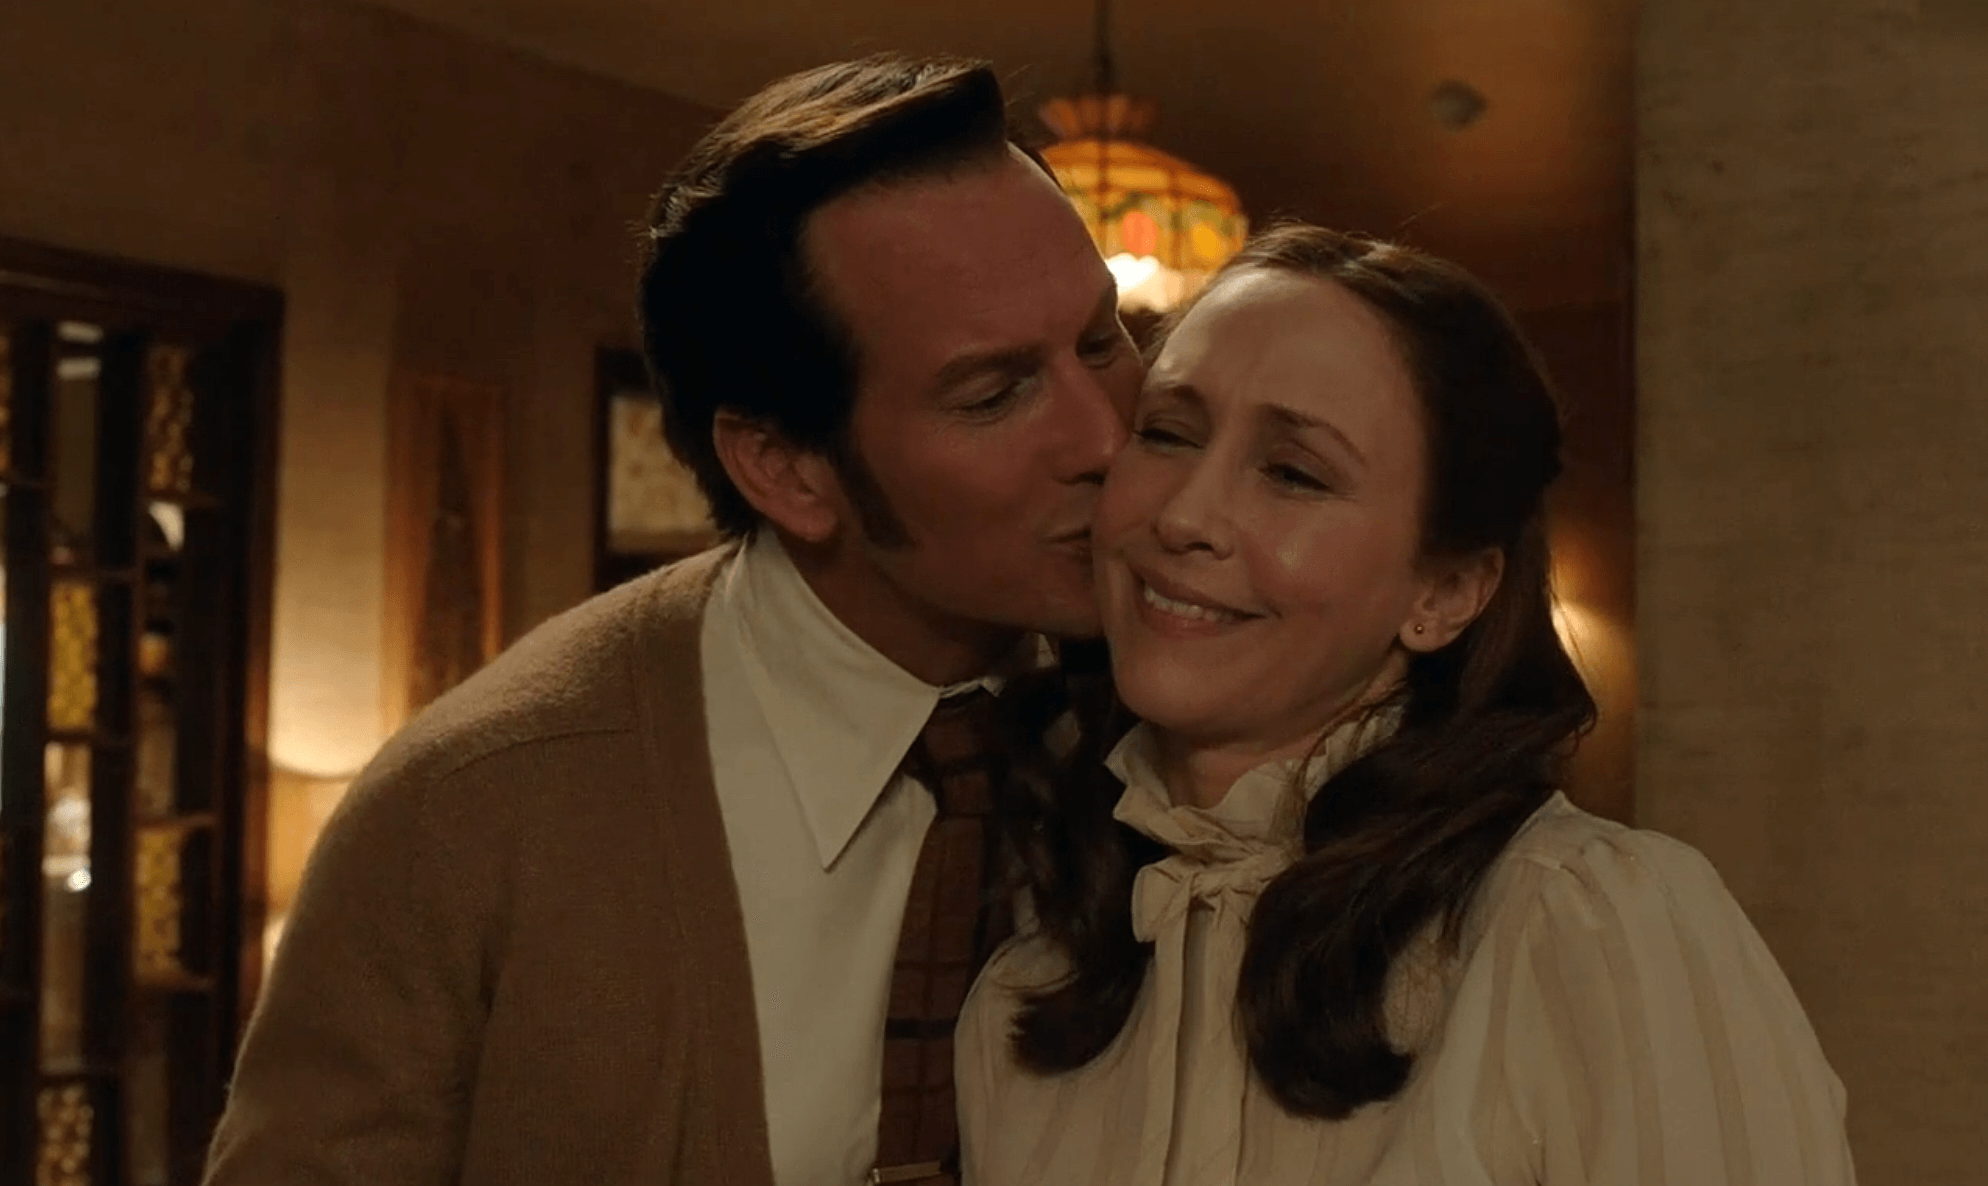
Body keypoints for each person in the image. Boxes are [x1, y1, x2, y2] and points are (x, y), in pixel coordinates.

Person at [202, 54, 1141, 1186]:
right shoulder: (476, 812)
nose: (1105, 437)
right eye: (994, 394)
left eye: (1103, 340)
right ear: (785, 468)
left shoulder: (1196, 714)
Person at [956, 224, 1859, 1184]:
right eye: (1169, 433)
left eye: (1293, 473)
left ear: (1446, 592)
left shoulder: (1583, 929)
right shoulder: (1027, 981)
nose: (1182, 517)